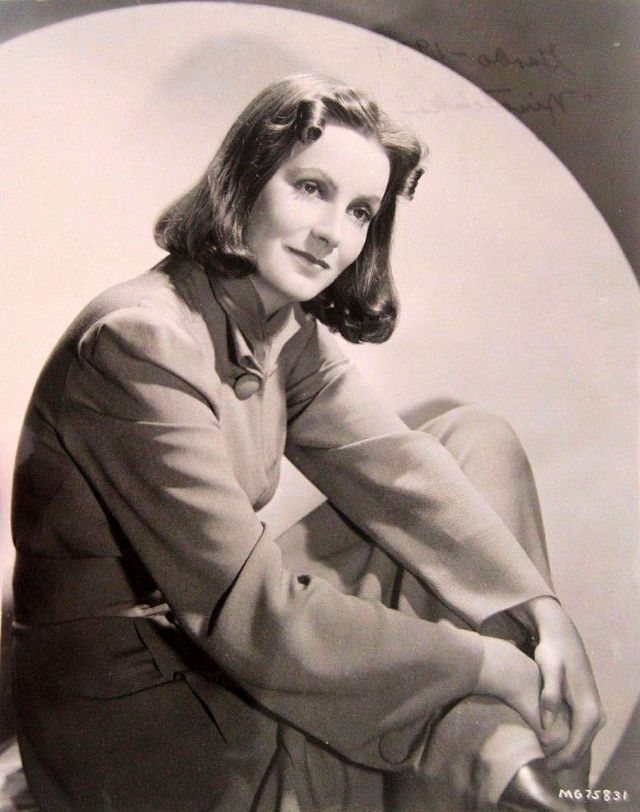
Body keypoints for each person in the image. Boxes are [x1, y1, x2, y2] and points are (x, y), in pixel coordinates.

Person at [11, 73, 604, 812]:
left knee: (474, 440)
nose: (333, 233)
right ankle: (504, 755)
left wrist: (541, 613)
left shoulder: (280, 326)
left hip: (215, 636)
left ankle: (502, 750)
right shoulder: (140, 341)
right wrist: (490, 664)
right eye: (312, 188)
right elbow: (261, 621)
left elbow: (397, 469)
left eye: (360, 211)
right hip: (141, 715)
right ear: (246, 181)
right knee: (465, 691)